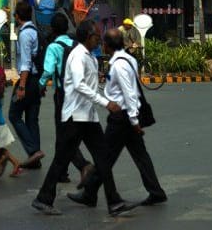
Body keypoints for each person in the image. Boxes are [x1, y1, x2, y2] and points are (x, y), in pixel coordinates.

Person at [31, 20, 137, 217]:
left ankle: (113, 201)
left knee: (103, 158)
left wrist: (108, 99)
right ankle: (43, 198)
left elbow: (91, 86)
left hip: (87, 116)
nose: (100, 39)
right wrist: (105, 103)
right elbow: (80, 85)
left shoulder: (90, 57)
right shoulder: (78, 56)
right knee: (61, 159)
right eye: (97, 36)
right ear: (88, 37)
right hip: (74, 117)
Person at [78, 27, 166, 206]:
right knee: (139, 155)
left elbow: (130, 93)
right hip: (125, 116)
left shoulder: (119, 64)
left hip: (122, 117)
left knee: (105, 155)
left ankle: (90, 191)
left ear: (107, 46)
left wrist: (134, 121)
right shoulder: (128, 59)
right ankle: (156, 191)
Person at [39, 12, 94, 187]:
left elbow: (47, 71)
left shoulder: (53, 47)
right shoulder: (76, 44)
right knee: (69, 133)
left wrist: (40, 85)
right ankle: (62, 172)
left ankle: (83, 165)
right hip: (80, 93)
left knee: (64, 135)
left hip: (63, 96)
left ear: (53, 29)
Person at [10, 1, 44, 169]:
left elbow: (26, 63)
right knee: (32, 119)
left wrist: (21, 86)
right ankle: (34, 157)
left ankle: (33, 150)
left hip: (28, 80)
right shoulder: (35, 31)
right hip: (36, 79)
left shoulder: (24, 34)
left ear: (17, 16)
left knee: (14, 114)